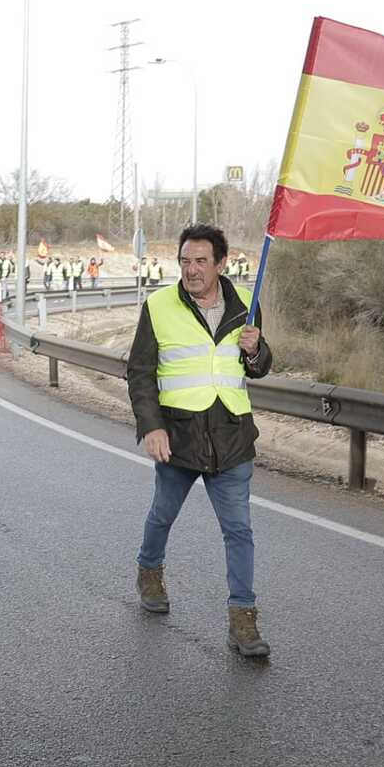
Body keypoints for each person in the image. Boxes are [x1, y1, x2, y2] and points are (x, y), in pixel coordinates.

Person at [126, 223, 274, 658]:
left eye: (201, 261)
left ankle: (243, 621)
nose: (191, 270)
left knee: (239, 530)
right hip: (178, 437)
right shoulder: (159, 306)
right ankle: (149, 571)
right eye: (185, 261)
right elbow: (140, 373)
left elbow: (257, 368)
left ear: (221, 264)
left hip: (231, 437)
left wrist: (255, 349)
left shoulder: (246, 304)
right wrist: (151, 426)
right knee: (162, 515)